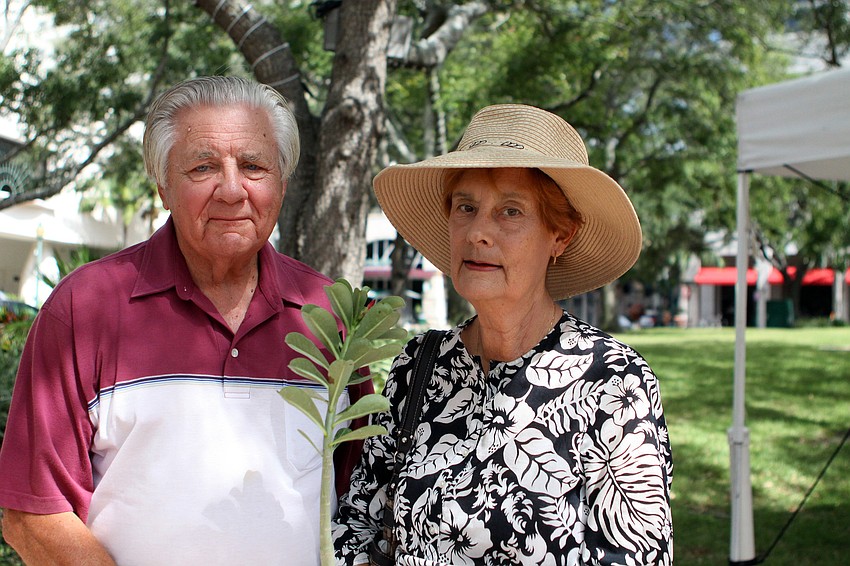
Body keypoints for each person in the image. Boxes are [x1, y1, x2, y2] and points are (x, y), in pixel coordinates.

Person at [0, 76, 371, 566]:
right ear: (163, 187)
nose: (233, 190)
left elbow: (365, 497)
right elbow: (32, 511)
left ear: (281, 183)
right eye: (203, 167)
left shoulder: (331, 313)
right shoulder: (86, 306)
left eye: (255, 166)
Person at [333, 104, 673, 565]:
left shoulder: (614, 381)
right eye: (466, 207)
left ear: (561, 236)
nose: (478, 232)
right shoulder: (418, 366)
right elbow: (357, 527)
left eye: (510, 211)